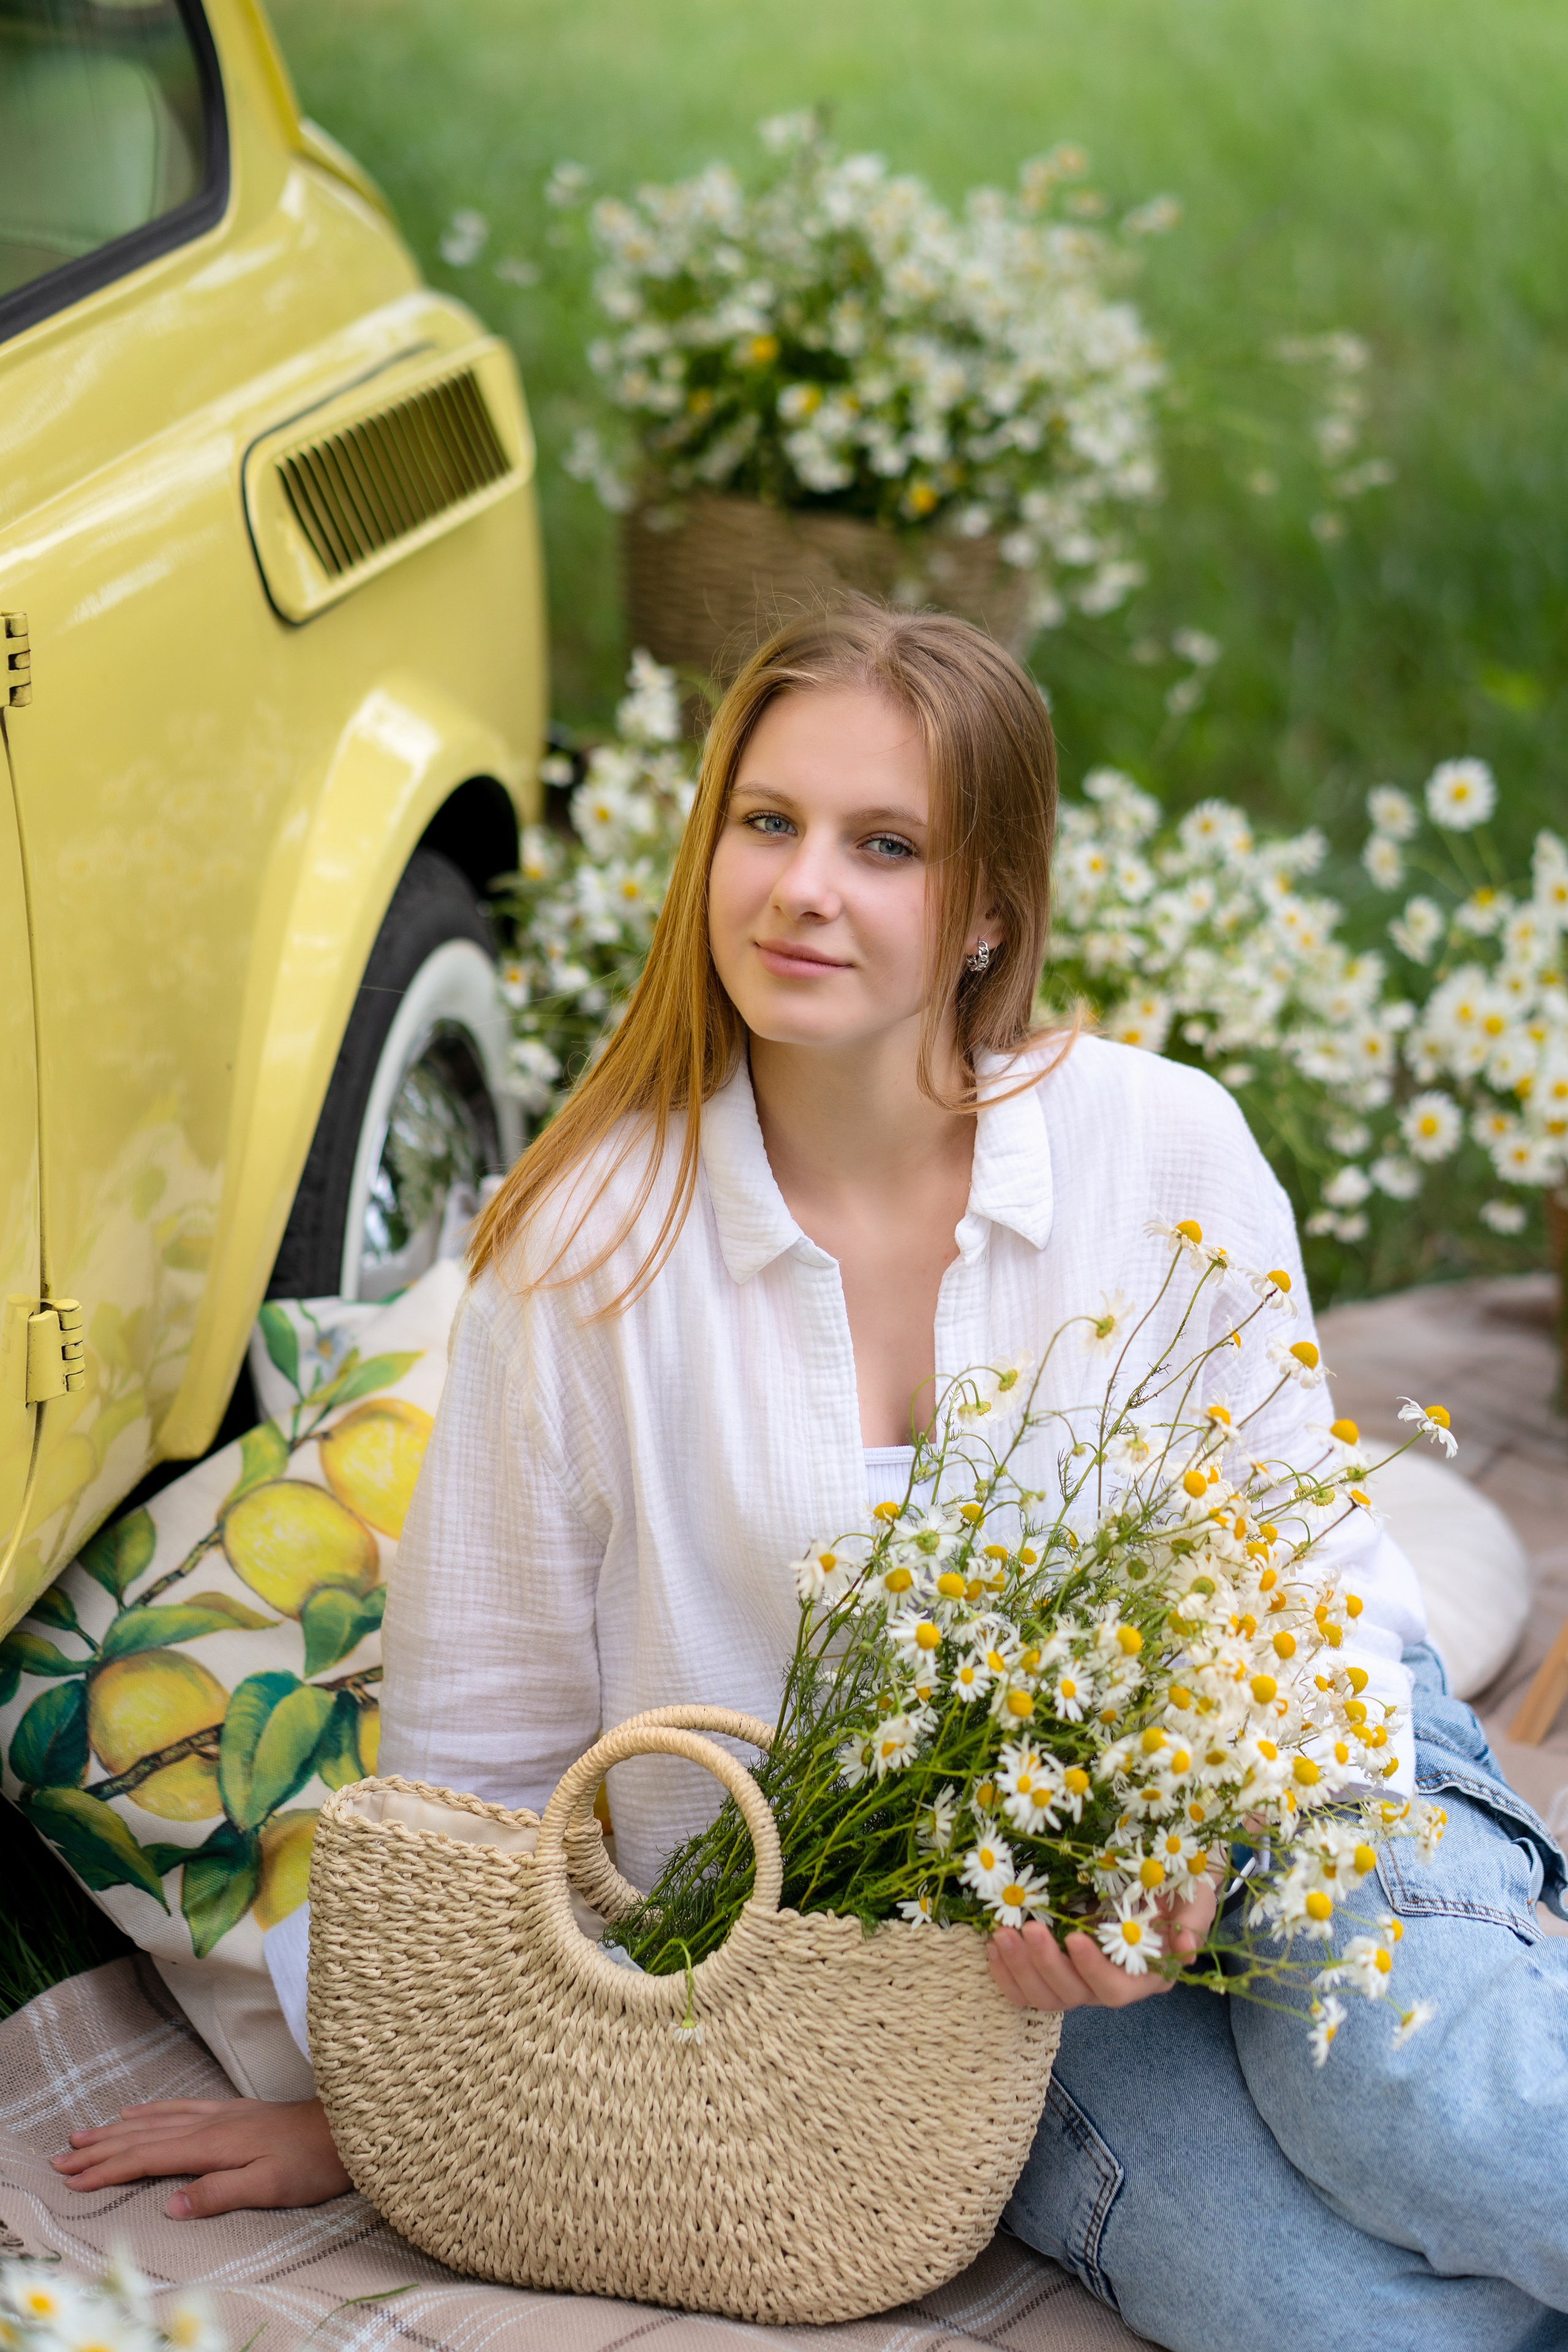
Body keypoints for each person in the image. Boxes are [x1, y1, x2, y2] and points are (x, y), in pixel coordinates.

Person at [55, 603, 1568, 2351]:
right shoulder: (585, 1247)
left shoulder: (1160, 1143)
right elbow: (485, 1759)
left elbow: (1312, 1586)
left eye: (885, 846)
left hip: (1293, 1771)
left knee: (1431, 2119)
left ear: (990, 902)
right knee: (1317, 2310)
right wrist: (403, 2109)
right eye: (766, 824)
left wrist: (1197, 1854)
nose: (802, 889)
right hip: (936, 1973)